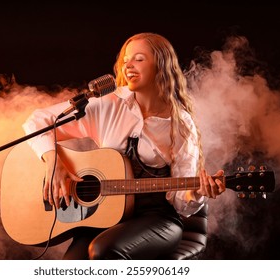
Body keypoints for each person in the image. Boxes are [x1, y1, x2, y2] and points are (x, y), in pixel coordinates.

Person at [22, 32, 226, 260]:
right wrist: (54, 163)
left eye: (139, 59)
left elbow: (180, 201)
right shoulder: (108, 104)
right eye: (125, 60)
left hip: (156, 219)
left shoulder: (181, 125)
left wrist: (197, 192)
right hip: (104, 215)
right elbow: (38, 121)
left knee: (103, 251)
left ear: (161, 65)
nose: (128, 65)